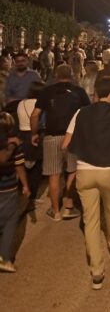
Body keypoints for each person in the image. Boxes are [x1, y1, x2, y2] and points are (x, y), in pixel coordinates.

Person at [62, 76, 110, 290]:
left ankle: (97, 272)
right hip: (109, 171)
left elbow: (65, 144)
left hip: (84, 171)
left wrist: (83, 149)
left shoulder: (81, 113)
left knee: (90, 220)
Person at [30, 64, 90, 221]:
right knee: (72, 171)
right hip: (73, 137)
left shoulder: (47, 91)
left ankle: (55, 211)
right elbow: (87, 113)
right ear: (72, 75)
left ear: (56, 75)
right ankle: (69, 206)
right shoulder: (79, 91)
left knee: (54, 174)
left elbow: (35, 115)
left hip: (51, 137)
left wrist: (34, 133)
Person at [0, 112, 30, 273]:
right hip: (8, 188)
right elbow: (19, 166)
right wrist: (25, 185)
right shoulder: (14, 144)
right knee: (9, 222)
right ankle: (4, 259)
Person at [17, 80, 46, 211]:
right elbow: (41, 122)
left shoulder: (21, 103)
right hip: (35, 135)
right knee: (36, 168)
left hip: (22, 135)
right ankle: (31, 198)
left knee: (24, 166)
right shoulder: (39, 103)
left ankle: (24, 193)